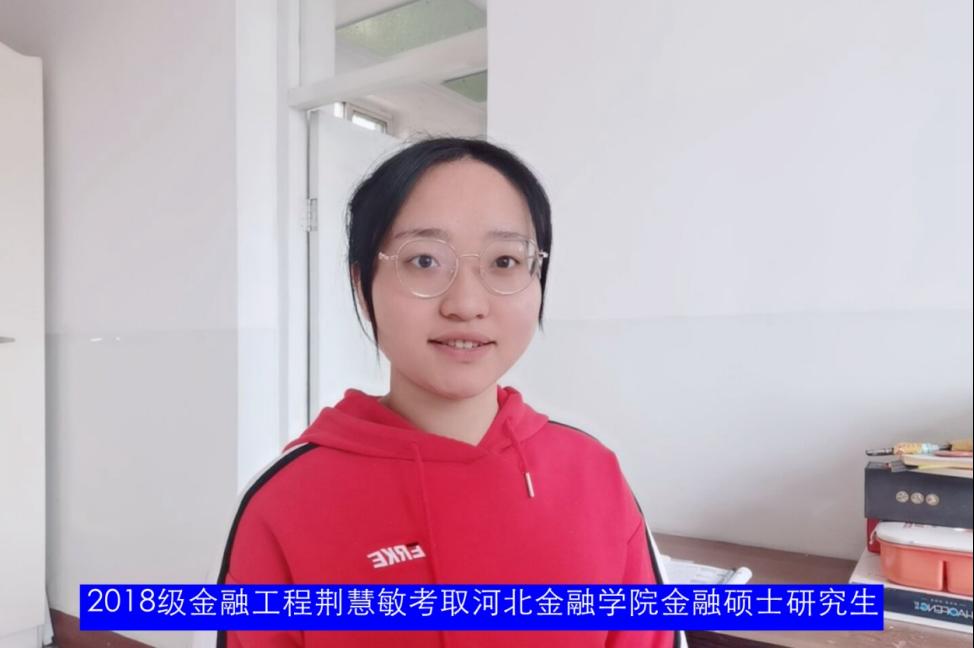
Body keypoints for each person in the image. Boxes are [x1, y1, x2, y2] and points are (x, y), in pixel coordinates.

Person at [217, 137, 675, 648]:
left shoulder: (594, 476)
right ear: (363, 285)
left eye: (505, 261)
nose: (466, 303)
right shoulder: (286, 502)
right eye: (424, 261)